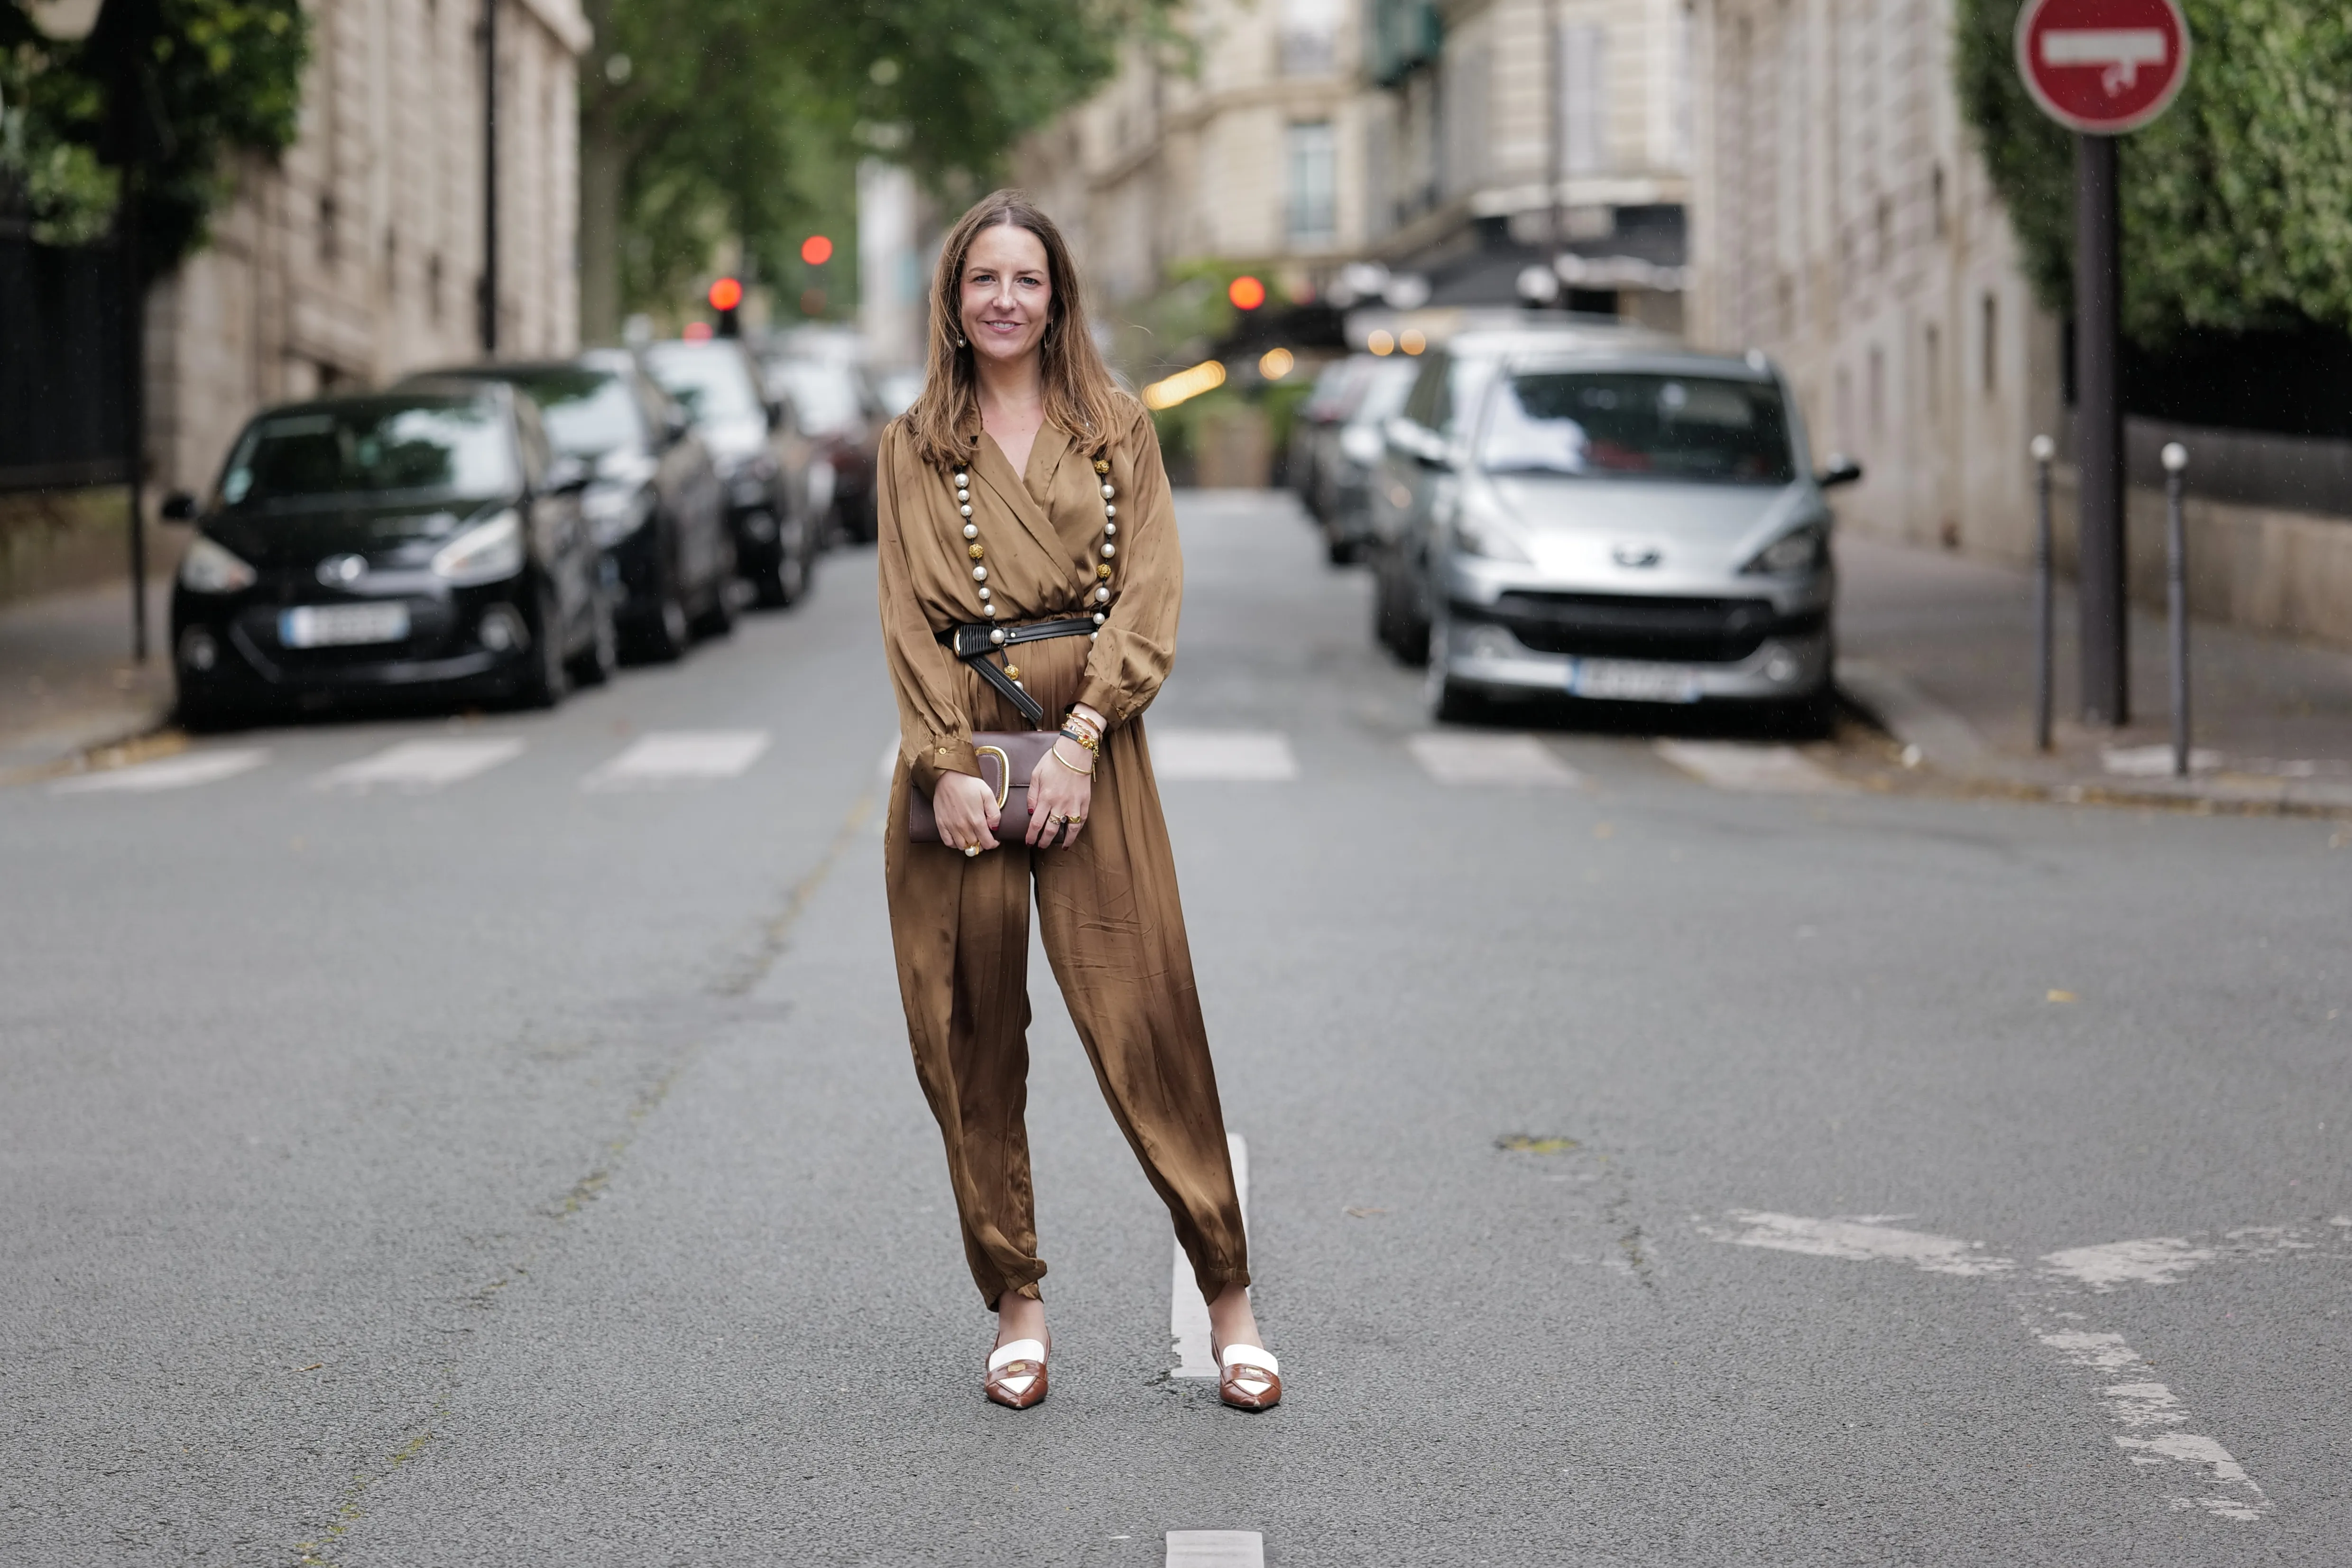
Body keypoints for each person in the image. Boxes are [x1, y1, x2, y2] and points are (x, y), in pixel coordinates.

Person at [875, 191, 1279, 1413]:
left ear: (1058, 298)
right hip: (965, 760)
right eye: (983, 279)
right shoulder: (913, 444)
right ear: (953, 299)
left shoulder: (1117, 432)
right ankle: (1017, 1300)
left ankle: (1230, 1297)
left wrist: (1087, 738)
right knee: (971, 1031)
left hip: (1095, 747)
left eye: (1027, 280)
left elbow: (1149, 592)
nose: (1006, 299)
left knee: (1144, 1011)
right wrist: (944, 766)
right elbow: (904, 613)